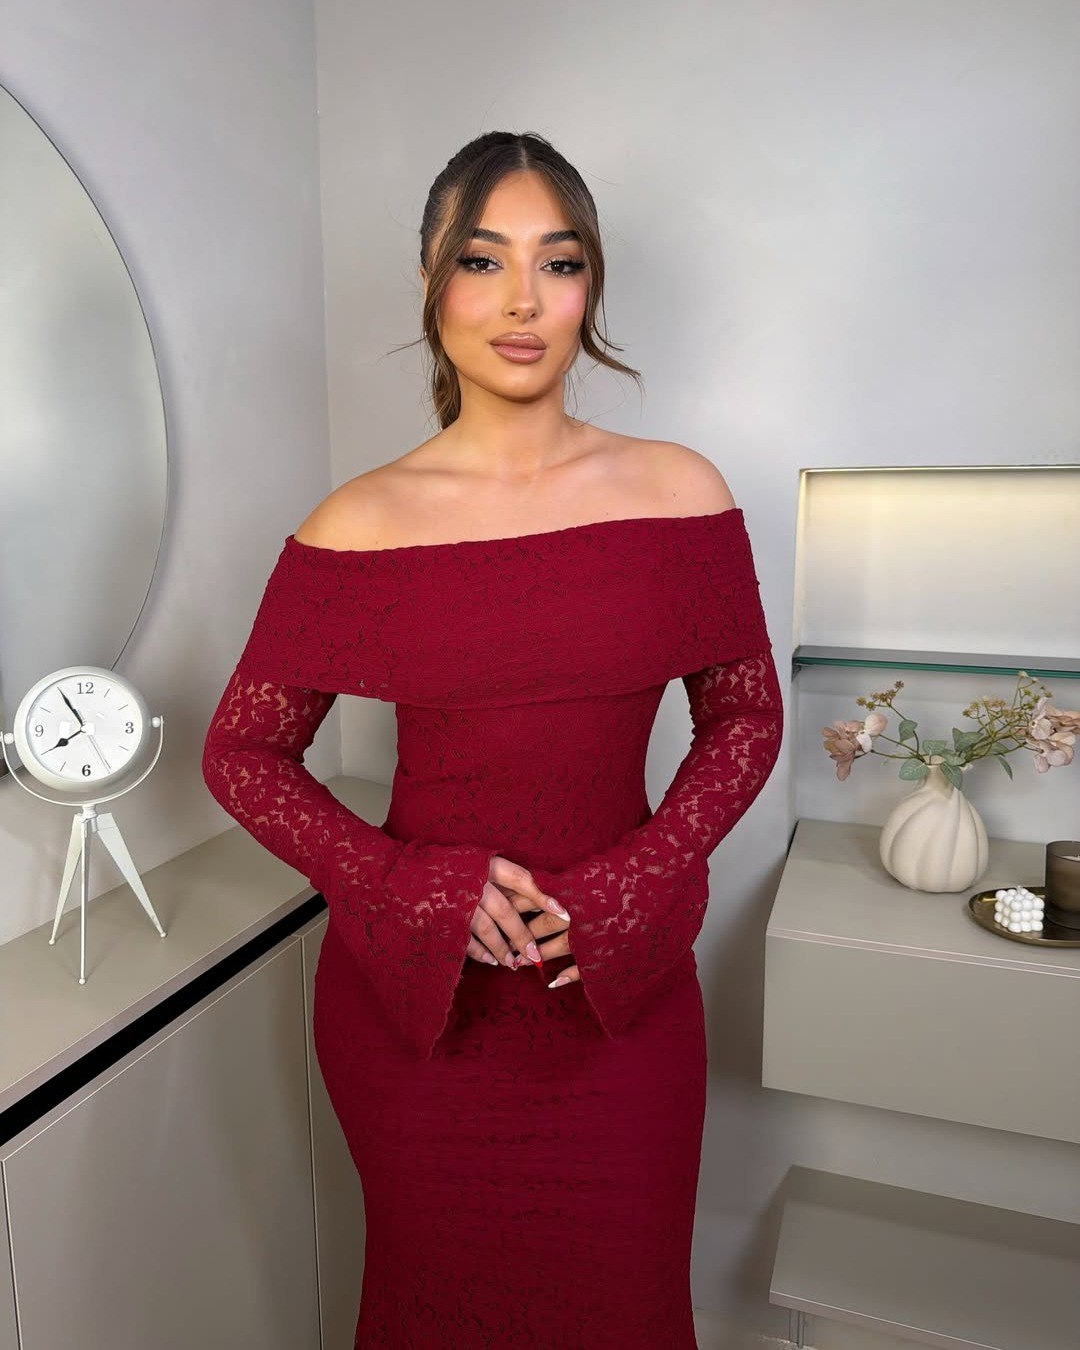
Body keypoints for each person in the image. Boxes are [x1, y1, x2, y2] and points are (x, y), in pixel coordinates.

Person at [201, 130, 784, 1349]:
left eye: (557, 263)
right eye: (482, 260)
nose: (523, 299)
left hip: (620, 1005)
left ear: (589, 287)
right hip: (422, 1024)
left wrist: (640, 876)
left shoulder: (680, 493)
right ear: (431, 278)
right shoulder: (360, 522)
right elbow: (243, 754)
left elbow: (743, 716)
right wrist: (407, 884)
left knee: (625, 1310)